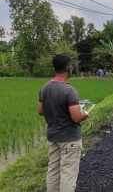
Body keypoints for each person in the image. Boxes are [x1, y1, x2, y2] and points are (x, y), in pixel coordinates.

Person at [38, 54, 89, 192]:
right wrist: (84, 114)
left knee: (53, 170)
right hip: (69, 139)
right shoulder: (69, 90)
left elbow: (41, 111)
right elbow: (76, 118)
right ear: (68, 67)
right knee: (68, 174)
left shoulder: (44, 88)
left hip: (53, 136)